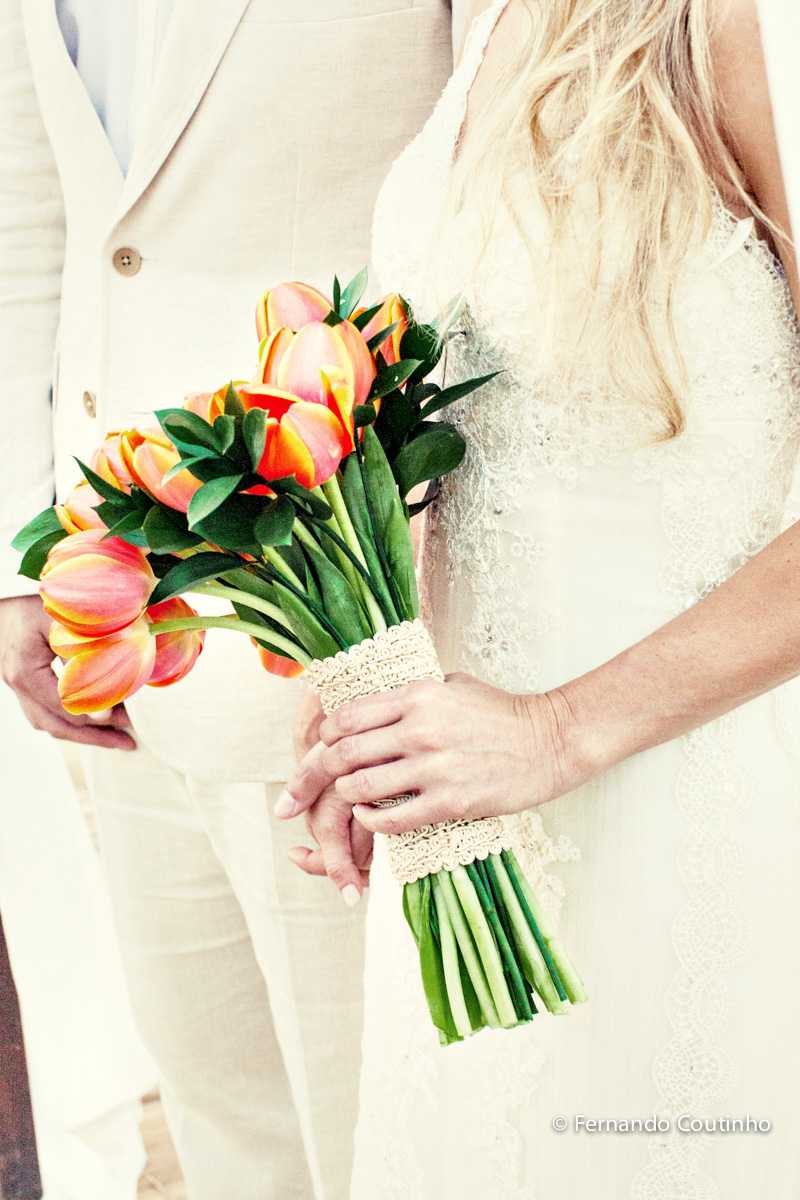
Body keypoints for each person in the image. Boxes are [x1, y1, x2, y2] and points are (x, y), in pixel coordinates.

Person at [285, 0, 800, 1194]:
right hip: (466, 835)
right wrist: (359, 678)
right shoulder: (494, 14)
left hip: (677, 822)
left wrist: (558, 731)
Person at [0, 3, 453, 1198]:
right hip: (117, 629)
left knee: (381, 1147)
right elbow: (28, 211)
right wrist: (20, 565)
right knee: (225, 1132)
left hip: (346, 630)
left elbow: (495, 204)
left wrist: (404, 628)